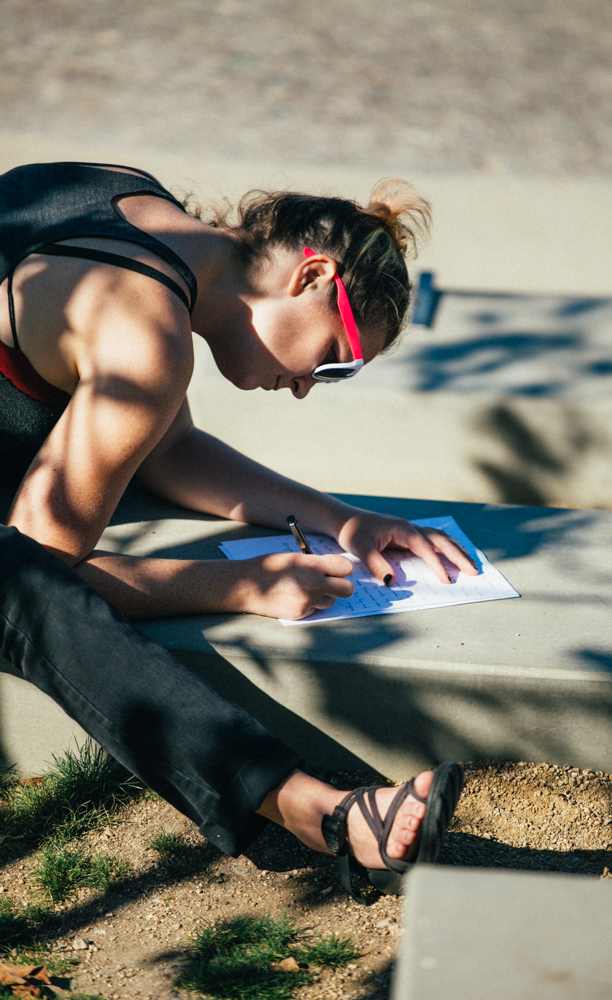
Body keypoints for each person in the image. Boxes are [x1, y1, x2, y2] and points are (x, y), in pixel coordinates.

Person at [0, 161, 474, 898]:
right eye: (337, 359)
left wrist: (342, 520)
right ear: (310, 275)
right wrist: (240, 583)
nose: (309, 386)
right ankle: (322, 816)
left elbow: (167, 446)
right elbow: (35, 570)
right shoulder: (146, 335)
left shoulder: (124, 197)